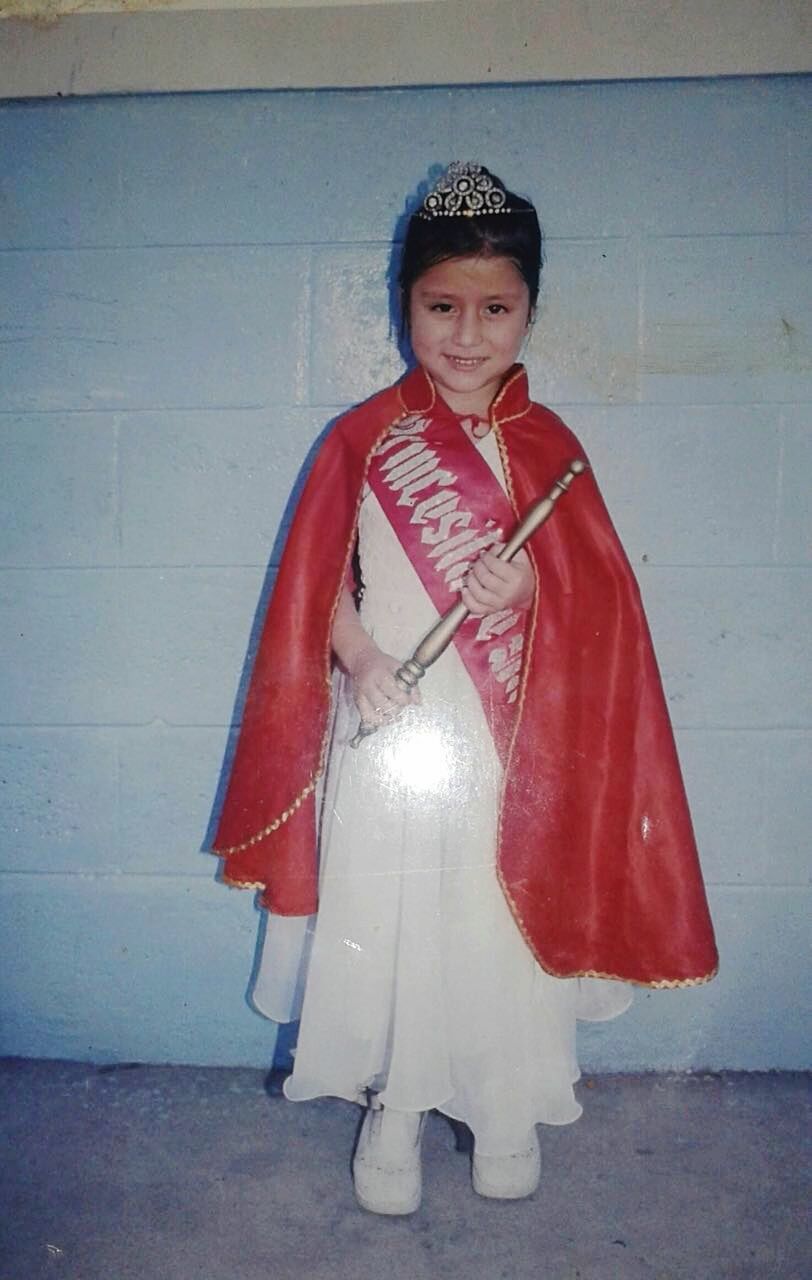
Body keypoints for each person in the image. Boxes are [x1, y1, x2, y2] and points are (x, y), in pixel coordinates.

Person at [211, 162, 718, 1215]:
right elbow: (318, 596)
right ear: (405, 304)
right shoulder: (360, 440)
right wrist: (355, 661)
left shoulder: (551, 449)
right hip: (392, 733)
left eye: (495, 308)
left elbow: (600, 613)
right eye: (441, 306)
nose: (466, 333)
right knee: (387, 915)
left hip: (505, 744)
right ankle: (393, 1107)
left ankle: (502, 1103)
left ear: (530, 309)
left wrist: (531, 583)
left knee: (494, 919)